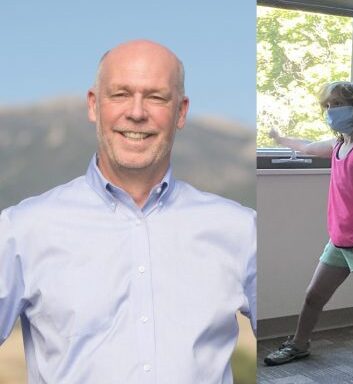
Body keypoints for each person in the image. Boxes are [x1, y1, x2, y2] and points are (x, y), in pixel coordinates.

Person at [0, 40, 257, 383]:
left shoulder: (241, 230)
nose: (136, 112)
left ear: (181, 111)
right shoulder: (22, 229)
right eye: (120, 94)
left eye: (156, 97)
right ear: (94, 105)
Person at [263, 81, 353, 365]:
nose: (332, 110)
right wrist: (281, 140)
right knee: (313, 296)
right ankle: (299, 343)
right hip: (340, 240)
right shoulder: (337, 145)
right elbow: (306, 147)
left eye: (338, 104)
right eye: (328, 106)